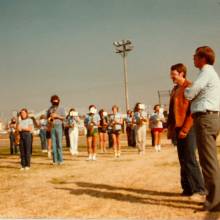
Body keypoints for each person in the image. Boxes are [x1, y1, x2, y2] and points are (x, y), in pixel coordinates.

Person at [184, 46, 220, 211]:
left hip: (205, 118)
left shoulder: (205, 72)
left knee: (208, 162)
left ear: (203, 58)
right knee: (209, 161)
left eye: (195, 56)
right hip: (209, 117)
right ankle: (214, 198)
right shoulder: (208, 73)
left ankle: (214, 201)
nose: (193, 59)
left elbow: (191, 93)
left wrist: (186, 90)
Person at [167, 63, 206, 199]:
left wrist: (185, 129)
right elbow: (172, 112)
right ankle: (187, 188)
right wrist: (171, 130)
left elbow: (192, 112)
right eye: (171, 74)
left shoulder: (189, 87)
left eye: (174, 74)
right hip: (177, 128)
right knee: (182, 159)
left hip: (188, 128)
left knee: (190, 159)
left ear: (182, 73)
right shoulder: (175, 89)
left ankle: (199, 189)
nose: (171, 76)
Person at [47, 95, 65, 165]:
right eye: (53, 101)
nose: (55, 103)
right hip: (52, 126)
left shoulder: (62, 108)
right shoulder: (49, 109)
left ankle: (60, 160)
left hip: (59, 126)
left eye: (56, 101)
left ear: (58, 101)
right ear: (51, 102)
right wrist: (50, 119)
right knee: (53, 144)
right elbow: (47, 118)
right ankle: (55, 160)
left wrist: (57, 116)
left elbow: (64, 118)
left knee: (59, 144)